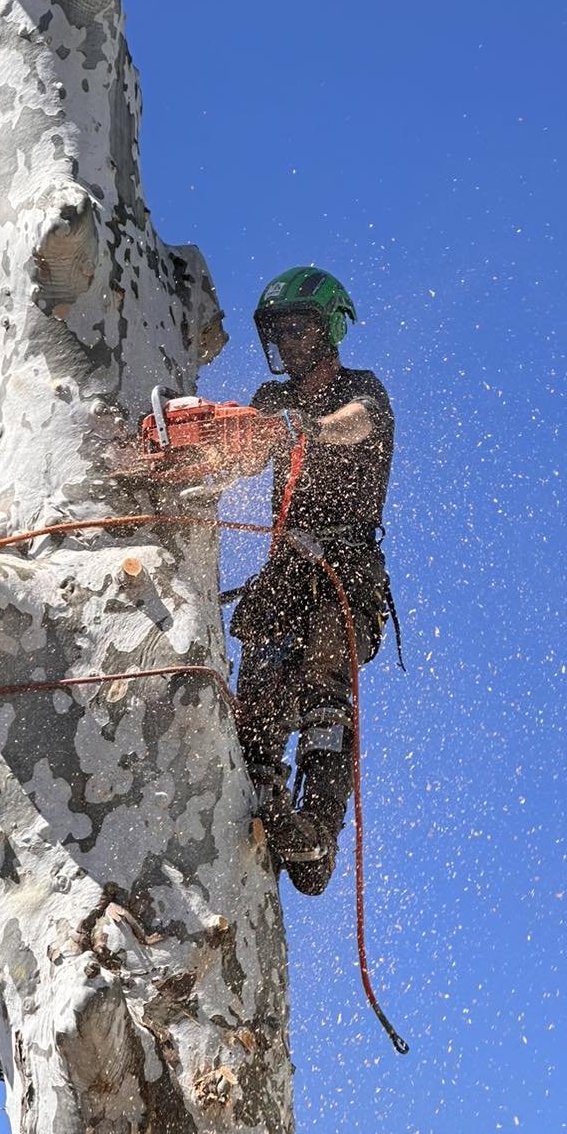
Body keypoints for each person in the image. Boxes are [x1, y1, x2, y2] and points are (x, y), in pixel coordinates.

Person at [230, 266, 397, 895]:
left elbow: (354, 424)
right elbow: (241, 449)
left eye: (299, 326)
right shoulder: (272, 399)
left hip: (344, 568)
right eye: (278, 331)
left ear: (328, 328)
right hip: (286, 570)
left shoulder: (362, 389)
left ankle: (318, 829)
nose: (288, 341)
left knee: (325, 680)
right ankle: (263, 783)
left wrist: (306, 430)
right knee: (260, 688)